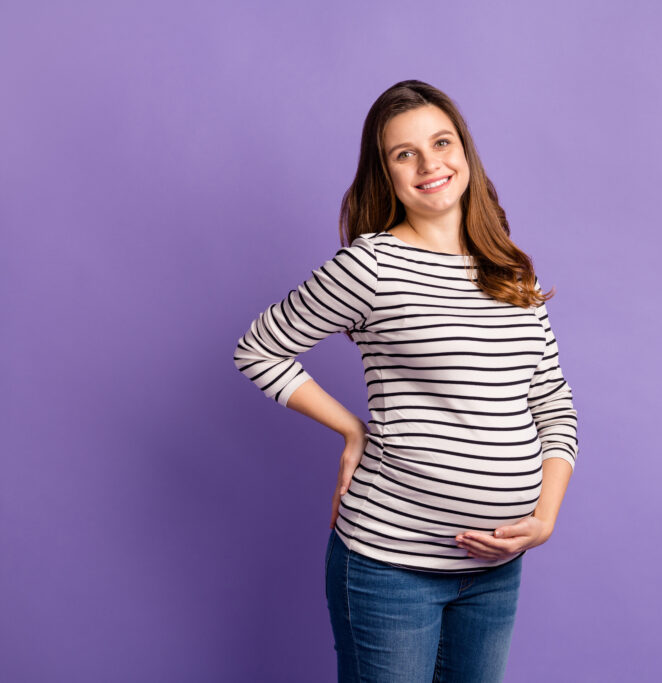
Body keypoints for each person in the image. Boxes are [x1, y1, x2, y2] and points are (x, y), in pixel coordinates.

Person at [232, 79, 579, 683]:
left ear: (464, 152)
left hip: (497, 571)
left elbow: (553, 405)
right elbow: (259, 348)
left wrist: (544, 518)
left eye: (441, 142)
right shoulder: (370, 265)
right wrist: (352, 430)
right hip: (391, 570)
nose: (429, 163)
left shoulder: (510, 270)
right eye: (404, 153)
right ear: (385, 173)